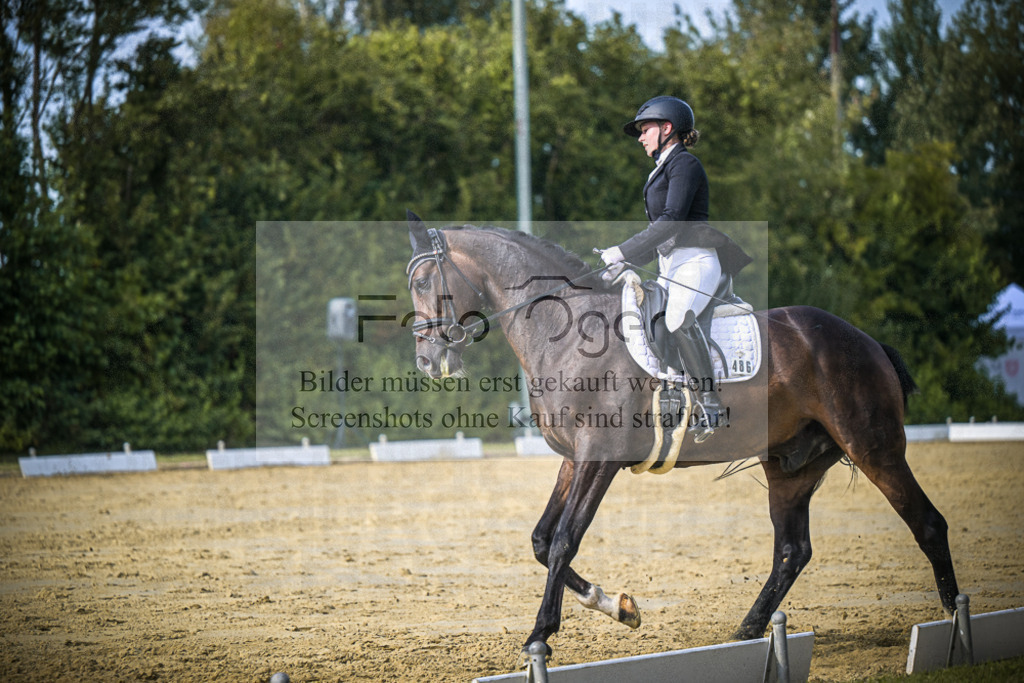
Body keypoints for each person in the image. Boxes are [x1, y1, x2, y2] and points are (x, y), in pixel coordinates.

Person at [599, 95, 751, 443]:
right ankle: (671, 399)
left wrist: (622, 249)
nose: (641, 137)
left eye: (645, 129)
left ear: (667, 128)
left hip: (696, 261)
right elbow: (659, 238)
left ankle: (711, 405)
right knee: (650, 322)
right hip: (672, 264)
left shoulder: (685, 165)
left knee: (677, 318)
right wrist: (624, 263)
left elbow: (670, 222)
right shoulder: (662, 169)